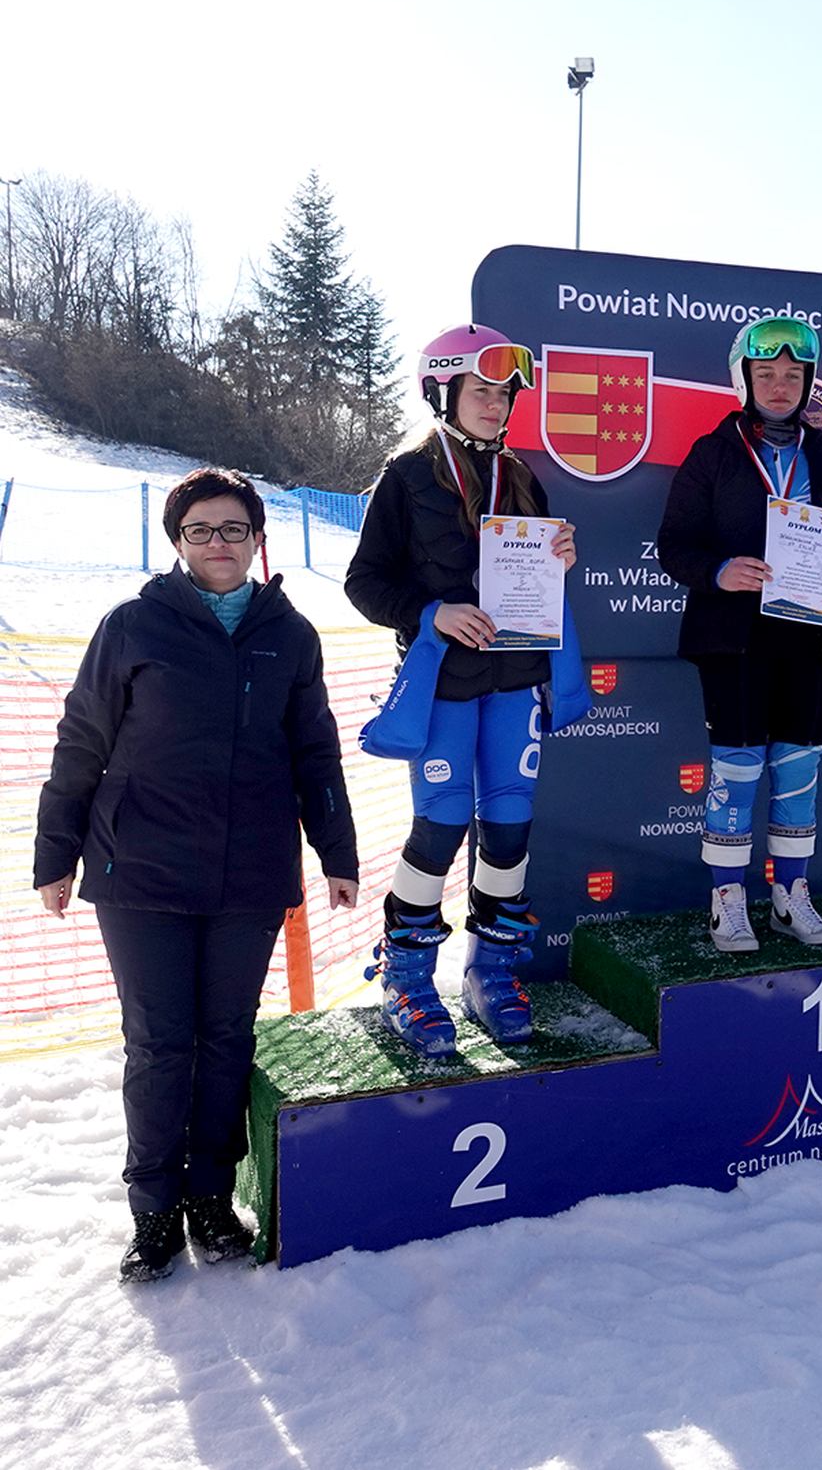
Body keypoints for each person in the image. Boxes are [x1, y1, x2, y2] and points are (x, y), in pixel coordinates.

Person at [35, 468, 359, 1282]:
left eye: (234, 528)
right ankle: (153, 1211)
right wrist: (56, 854)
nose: (219, 543)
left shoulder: (290, 635)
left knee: (225, 1039)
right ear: (178, 542)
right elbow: (81, 741)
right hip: (141, 870)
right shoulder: (134, 626)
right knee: (157, 1042)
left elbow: (315, 750)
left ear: (258, 538)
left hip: (249, 873)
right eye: (201, 530)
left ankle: (211, 1196)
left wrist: (337, 853)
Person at [346, 324, 580, 1056]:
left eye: (504, 393)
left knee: (509, 828)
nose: (495, 404)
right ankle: (407, 979)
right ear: (442, 392)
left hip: (516, 680)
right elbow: (363, 582)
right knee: (441, 826)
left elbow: (534, 579)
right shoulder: (407, 475)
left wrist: (560, 559)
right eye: (481, 390)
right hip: (445, 683)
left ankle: (491, 970)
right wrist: (431, 614)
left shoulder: (522, 476)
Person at [655, 316, 822, 952]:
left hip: (810, 641)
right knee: (738, 767)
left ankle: (789, 895)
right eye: (767, 373)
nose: (780, 386)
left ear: (807, 383)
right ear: (744, 379)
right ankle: (726, 899)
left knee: (799, 770)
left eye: (793, 375)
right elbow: (674, 545)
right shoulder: (714, 453)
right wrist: (719, 571)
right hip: (734, 640)